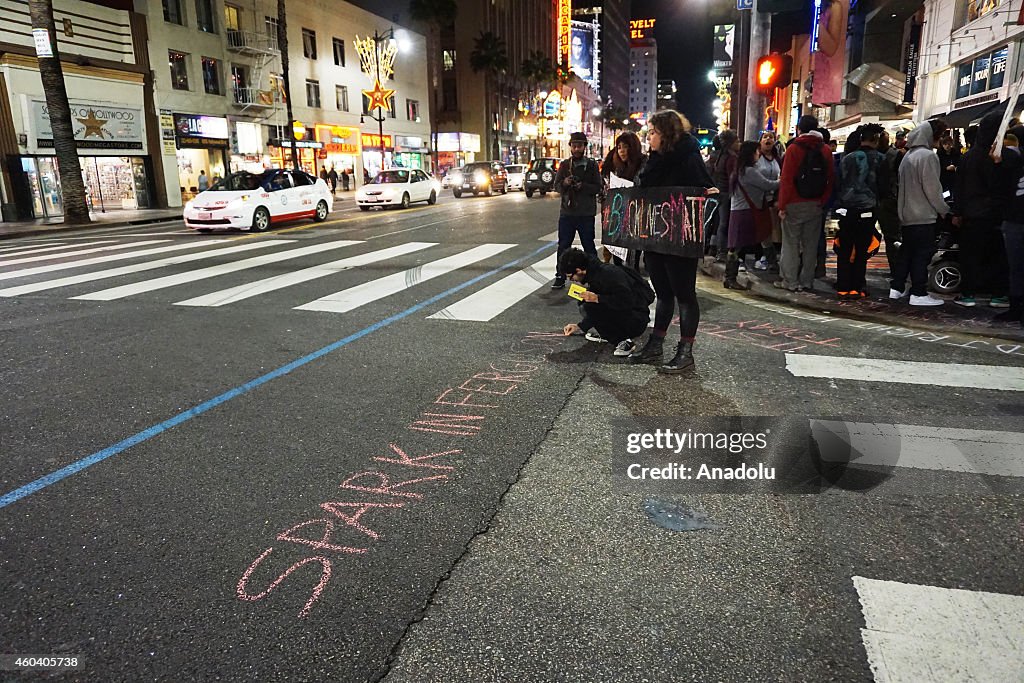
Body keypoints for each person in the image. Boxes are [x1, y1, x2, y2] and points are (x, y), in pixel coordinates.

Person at [628, 110, 716, 373]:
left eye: (653, 132)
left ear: (665, 133)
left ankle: (685, 351)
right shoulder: (654, 159)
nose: (649, 137)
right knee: (663, 293)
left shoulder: (688, 156)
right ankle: (656, 345)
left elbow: (706, 189)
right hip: (655, 236)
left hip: (680, 238)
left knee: (685, 295)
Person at [891, 121, 951, 307]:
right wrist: (944, 210)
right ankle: (918, 292)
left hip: (907, 214)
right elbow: (932, 188)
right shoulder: (927, 157)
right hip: (923, 214)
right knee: (922, 255)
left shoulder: (908, 156)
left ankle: (897, 288)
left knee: (907, 253)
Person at [954, 111, 1010, 308]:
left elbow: (959, 187)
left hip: (972, 214)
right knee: (997, 256)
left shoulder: (969, 157)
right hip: (996, 215)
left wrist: (958, 212)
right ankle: (998, 294)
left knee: (970, 256)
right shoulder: (1002, 156)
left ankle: (968, 293)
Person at [776, 114, 835, 292]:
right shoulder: (824, 149)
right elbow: (830, 178)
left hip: (794, 202)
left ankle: (790, 282)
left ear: (798, 128)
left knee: (791, 243)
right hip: (815, 203)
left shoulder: (794, 148)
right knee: (811, 244)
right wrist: (823, 200)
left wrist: (782, 205)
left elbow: (786, 179)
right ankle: (807, 281)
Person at [559, 248, 652, 356]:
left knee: (589, 306)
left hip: (636, 320)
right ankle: (609, 334)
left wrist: (598, 298)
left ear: (579, 270)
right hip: (631, 314)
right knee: (584, 304)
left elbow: (628, 301)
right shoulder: (595, 273)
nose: (571, 280)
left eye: (571, 276)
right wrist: (580, 326)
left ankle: (623, 342)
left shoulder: (607, 274)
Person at [835, 123, 887, 300]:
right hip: (868, 210)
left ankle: (843, 285)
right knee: (861, 250)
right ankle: (858, 286)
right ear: (875, 140)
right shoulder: (881, 159)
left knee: (845, 248)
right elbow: (885, 187)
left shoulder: (847, 158)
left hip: (847, 209)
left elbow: (838, 183)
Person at [551, 131, 602, 289]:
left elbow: (598, 187)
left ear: (584, 147)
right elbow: (557, 186)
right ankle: (560, 275)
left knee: (589, 246)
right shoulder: (565, 165)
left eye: (580, 145)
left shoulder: (592, 165)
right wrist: (566, 183)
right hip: (567, 213)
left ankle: (596, 276)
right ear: (571, 147)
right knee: (563, 245)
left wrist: (583, 186)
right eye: (574, 145)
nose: (577, 148)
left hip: (586, 213)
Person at [727, 140, 779, 288]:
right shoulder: (748, 171)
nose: (759, 154)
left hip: (741, 211)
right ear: (751, 154)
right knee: (737, 246)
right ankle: (730, 278)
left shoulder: (740, 170)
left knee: (761, 237)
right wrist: (783, 180)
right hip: (745, 212)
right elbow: (768, 185)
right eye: (757, 152)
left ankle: (772, 264)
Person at [601, 131, 647, 267]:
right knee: (617, 257)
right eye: (619, 147)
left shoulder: (644, 164)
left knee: (633, 258)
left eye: (625, 147)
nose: (622, 151)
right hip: (618, 217)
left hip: (637, 217)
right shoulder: (616, 167)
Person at [994, 124, 1024, 324]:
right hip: (1014, 219)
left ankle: (1016, 308)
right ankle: (1016, 308)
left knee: (1015, 267)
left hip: (1014, 219)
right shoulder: (1014, 160)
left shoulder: (1013, 160)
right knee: (1016, 267)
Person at [754, 131, 783, 272]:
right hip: (758, 199)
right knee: (761, 230)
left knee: (771, 230)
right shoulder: (756, 158)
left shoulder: (778, 159)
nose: (768, 139)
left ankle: (769, 258)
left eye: (771, 137)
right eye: (765, 137)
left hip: (772, 200)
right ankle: (760, 257)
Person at [708, 129, 739, 258]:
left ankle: (718, 250)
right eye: (736, 140)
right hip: (727, 193)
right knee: (724, 223)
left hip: (719, 192)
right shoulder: (731, 158)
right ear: (731, 143)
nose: (739, 143)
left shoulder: (720, 156)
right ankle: (722, 251)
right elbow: (732, 177)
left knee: (720, 222)